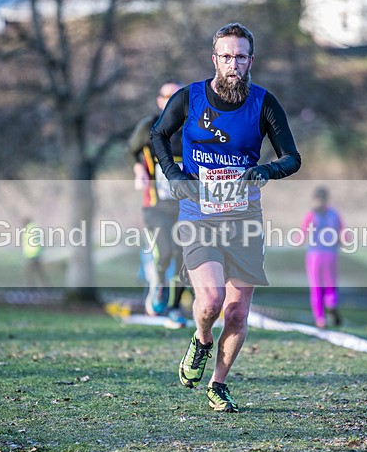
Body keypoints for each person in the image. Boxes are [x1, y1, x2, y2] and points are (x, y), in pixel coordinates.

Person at [150, 22, 301, 412]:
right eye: (226, 56)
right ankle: (201, 339)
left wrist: (266, 171)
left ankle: (218, 384)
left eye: (240, 56)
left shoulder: (265, 103)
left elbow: (292, 157)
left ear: (251, 60)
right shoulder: (189, 98)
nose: (233, 63)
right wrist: (174, 175)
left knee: (236, 311)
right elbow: (157, 136)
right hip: (199, 213)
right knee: (212, 301)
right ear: (214, 59)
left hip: (244, 216)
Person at [128, 81, 188, 325]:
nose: (172, 99)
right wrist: (137, 169)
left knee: (185, 256)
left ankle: (174, 308)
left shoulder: (192, 127)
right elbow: (130, 150)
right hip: (155, 204)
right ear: (159, 100)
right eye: (168, 96)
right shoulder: (148, 126)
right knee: (164, 252)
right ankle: (159, 282)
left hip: (185, 205)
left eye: (178, 96)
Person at [301, 186, 344, 328]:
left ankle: (320, 319)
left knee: (316, 287)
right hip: (330, 254)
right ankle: (331, 304)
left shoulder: (311, 215)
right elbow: (345, 236)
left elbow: (300, 237)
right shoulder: (335, 214)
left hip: (314, 255)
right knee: (330, 285)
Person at [22, 218, 50, 287]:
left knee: (28, 273)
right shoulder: (36, 227)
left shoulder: (28, 229)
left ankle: (29, 286)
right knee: (40, 273)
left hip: (31, 254)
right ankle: (46, 286)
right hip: (37, 253)